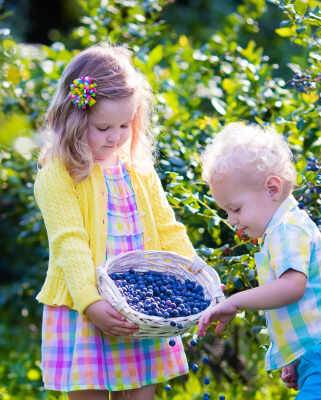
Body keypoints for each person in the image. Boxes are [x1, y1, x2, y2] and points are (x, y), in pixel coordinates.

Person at [34, 44, 201, 400]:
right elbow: (70, 242)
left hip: (140, 309)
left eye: (125, 124)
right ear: (75, 120)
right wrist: (91, 303)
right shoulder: (59, 175)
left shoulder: (138, 170)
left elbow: (168, 228)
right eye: (103, 127)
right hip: (85, 308)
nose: (115, 136)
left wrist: (196, 274)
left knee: (141, 395)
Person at [198, 122, 321, 399]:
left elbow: (292, 288)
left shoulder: (287, 228)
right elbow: (303, 308)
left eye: (236, 209)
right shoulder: (277, 233)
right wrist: (294, 357)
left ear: (272, 189)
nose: (232, 221)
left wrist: (236, 301)